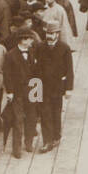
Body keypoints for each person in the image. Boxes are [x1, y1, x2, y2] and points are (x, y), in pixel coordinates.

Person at [34, 22, 74, 151]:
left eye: (52, 33)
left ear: (57, 34)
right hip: (43, 87)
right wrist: (34, 89)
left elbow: (69, 70)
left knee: (56, 112)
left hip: (57, 87)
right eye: (47, 33)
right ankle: (48, 141)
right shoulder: (39, 47)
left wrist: (68, 89)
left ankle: (56, 136)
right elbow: (34, 69)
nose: (49, 36)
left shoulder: (64, 48)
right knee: (45, 113)